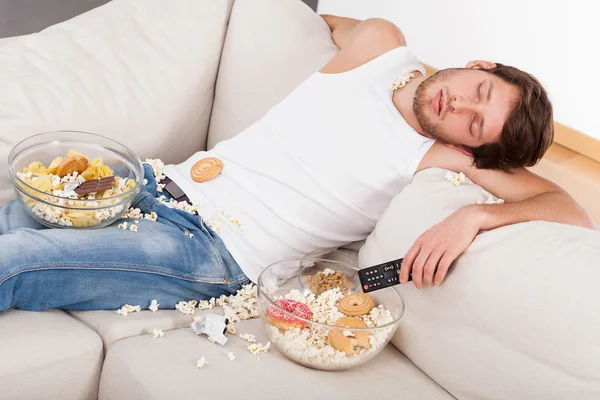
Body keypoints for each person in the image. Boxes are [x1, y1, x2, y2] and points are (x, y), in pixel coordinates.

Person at [0, 16, 592, 312]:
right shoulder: (380, 45)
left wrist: (473, 219)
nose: (459, 104)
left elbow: (570, 208)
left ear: (471, 148)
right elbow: (325, 21)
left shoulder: (437, 153)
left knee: (17, 260)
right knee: (13, 217)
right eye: (478, 92)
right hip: (162, 182)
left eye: (474, 124)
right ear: (479, 65)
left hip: (214, 253)